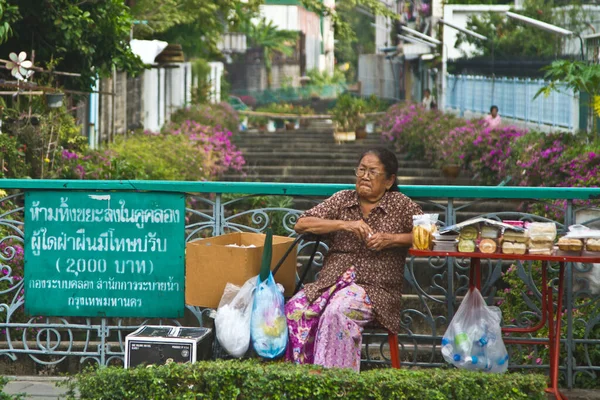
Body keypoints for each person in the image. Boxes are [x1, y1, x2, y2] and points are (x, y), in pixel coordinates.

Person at [285, 147, 423, 371]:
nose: (365, 176)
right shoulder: (342, 199)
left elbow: (430, 234)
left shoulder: (400, 204)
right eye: (361, 170)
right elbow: (302, 224)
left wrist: (392, 239)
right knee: (294, 309)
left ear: (389, 181)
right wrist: (344, 224)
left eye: (372, 172)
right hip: (329, 284)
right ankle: (302, 378)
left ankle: (336, 384)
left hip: (375, 289)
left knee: (338, 311)